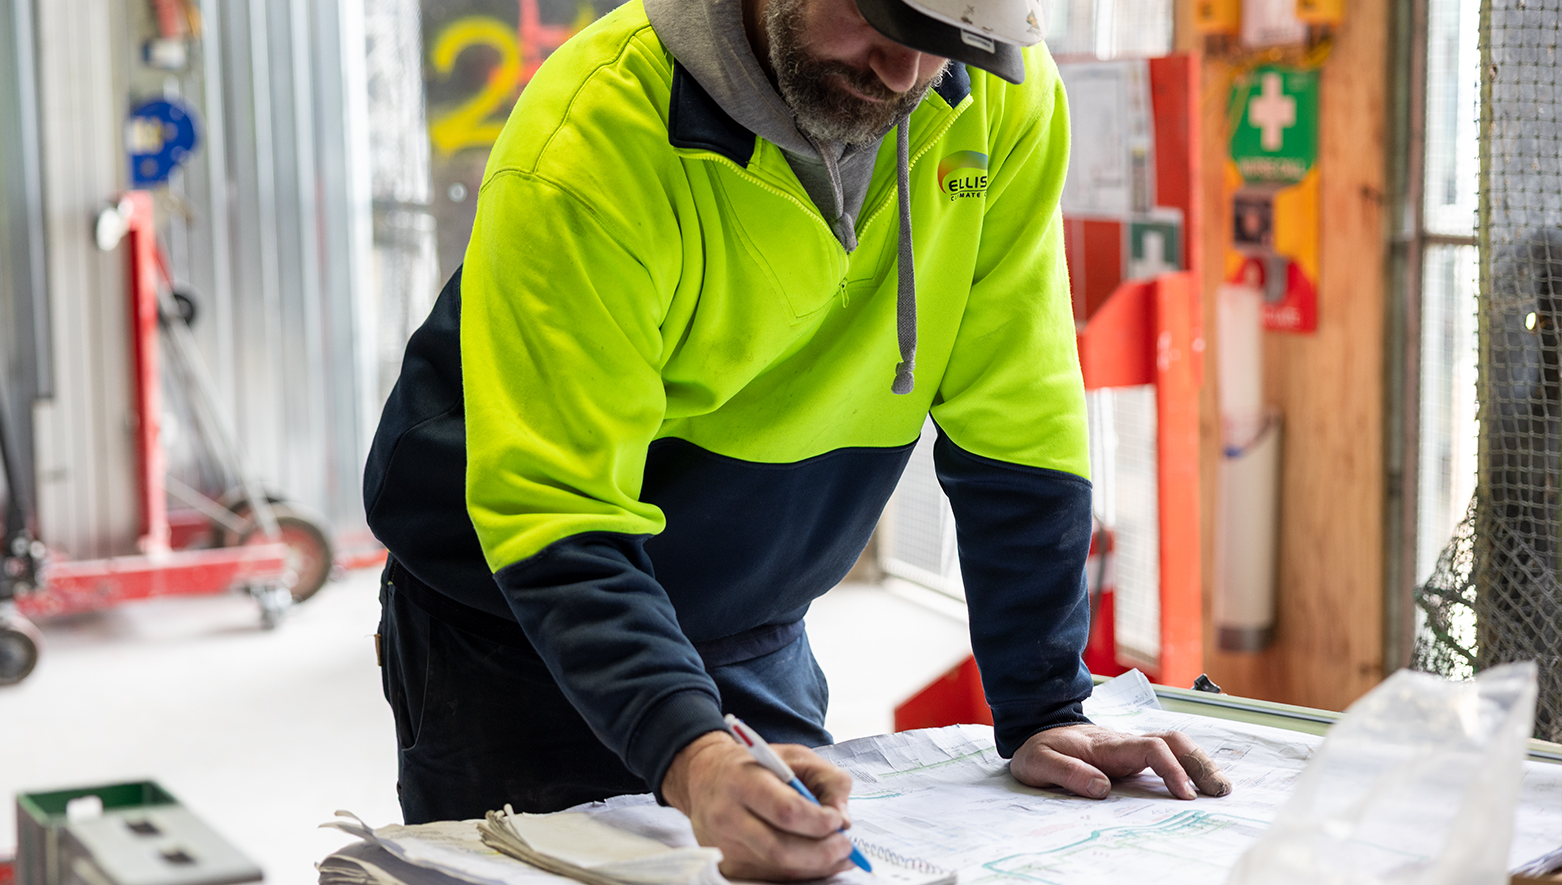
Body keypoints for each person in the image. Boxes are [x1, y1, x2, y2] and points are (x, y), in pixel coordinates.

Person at [364, 0, 1232, 876]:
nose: (907, 77)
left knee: (793, 849)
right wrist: (691, 752)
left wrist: (1048, 704)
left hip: (754, 610)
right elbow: (558, 505)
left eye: (945, 48)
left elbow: (1018, 412)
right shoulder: (595, 131)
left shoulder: (993, 94)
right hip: (520, 622)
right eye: (883, 23)